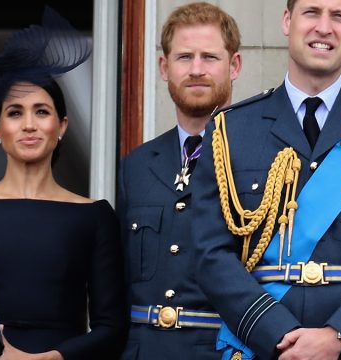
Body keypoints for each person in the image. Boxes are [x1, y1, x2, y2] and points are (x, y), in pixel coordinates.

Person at [191, 0, 341, 358]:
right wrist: (279, 335)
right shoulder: (230, 130)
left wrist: (339, 335)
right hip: (263, 346)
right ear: (288, 21)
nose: (324, 27)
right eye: (312, 12)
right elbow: (210, 253)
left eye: (338, 16)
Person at [0, 8, 127, 360]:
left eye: (42, 111)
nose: (29, 124)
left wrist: (50, 359)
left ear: (61, 126)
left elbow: (113, 327)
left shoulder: (94, 217)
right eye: (15, 112)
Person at [117, 2, 242, 359]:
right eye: (185, 57)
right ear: (163, 67)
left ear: (234, 66)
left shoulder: (263, 160)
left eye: (210, 57)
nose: (197, 70)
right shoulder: (136, 166)